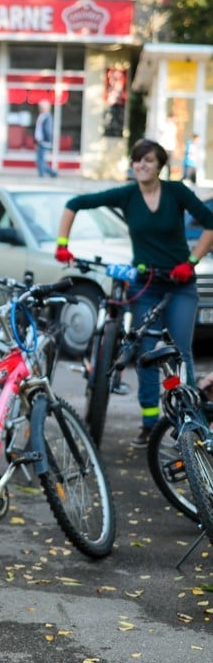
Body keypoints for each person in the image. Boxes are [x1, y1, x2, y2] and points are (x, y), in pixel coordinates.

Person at [55, 137, 213, 447]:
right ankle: (150, 423)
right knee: (147, 353)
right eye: (137, 160)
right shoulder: (127, 195)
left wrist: (192, 261)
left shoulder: (177, 192)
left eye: (148, 160)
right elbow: (74, 204)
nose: (141, 165)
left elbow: (210, 224)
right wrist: (63, 245)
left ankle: (194, 420)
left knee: (181, 350)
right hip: (146, 284)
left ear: (160, 166)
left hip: (180, 284)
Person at [34, 99, 57, 177]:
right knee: (40, 159)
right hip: (40, 141)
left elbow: (48, 130)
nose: (39, 108)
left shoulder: (47, 117)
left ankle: (48, 173)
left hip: (44, 141)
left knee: (40, 159)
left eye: (41, 107)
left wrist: (45, 139)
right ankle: (47, 173)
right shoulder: (42, 116)